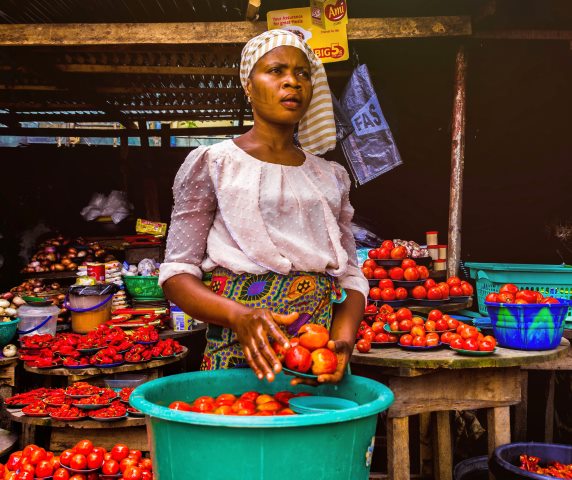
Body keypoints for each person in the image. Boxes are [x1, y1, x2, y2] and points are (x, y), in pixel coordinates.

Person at [159, 29, 368, 384]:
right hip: (237, 354)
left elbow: (350, 275)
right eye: (276, 71)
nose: (293, 82)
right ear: (249, 86)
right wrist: (239, 316)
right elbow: (177, 274)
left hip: (316, 361)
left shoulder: (330, 176)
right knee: (240, 432)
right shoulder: (213, 163)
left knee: (317, 438)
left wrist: (342, 342)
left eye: (303, 73)